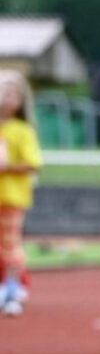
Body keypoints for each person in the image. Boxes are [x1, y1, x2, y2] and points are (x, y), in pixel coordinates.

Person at [0, 70, 42, 318]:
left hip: (12, 198)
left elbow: (33, 163)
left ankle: (13, 289)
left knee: (9, 245)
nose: (6, 98)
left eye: (12, 94)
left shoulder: (22, 131)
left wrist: (7, 167)